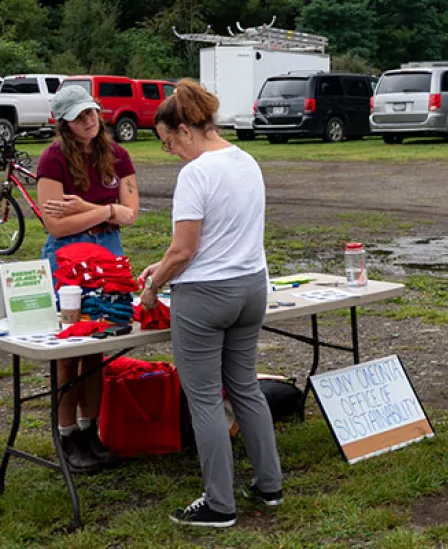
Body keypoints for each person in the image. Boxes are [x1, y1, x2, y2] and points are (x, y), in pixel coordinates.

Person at [138, 79, 283, 527]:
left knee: (203, 400)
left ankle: (219, 504)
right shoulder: (246, 160)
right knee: (245, 387)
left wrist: (152, 284)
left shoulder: (196, 174)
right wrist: (159, 267)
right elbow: (216, 236)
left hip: (205, 297)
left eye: (168, 144)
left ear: (185, 130)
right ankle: (269, 484)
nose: (171, 153)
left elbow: (185, 250)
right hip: (250, 286)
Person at [35, 85, 140, 474]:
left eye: (92, 112)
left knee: (97, 345)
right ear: (64, 122)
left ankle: (89, 430)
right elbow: (55, 224)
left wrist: (87, 208)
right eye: (80, 116)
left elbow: (131, 214)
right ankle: (66, 436)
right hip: (68, 254)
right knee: (69, 347)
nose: (90, 120)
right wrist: (103, 211)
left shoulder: (117, 154)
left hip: (107, 251)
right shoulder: (53, 159)